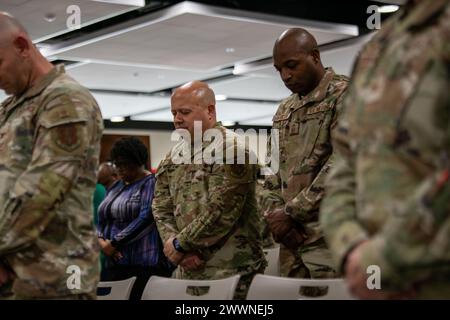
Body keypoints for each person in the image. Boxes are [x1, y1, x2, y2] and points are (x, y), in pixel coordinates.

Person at [320, 0, 450, 299]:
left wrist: (384, 256)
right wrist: (350, 246)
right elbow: (346, 159)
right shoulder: (377, 47)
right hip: (376, 282)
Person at [0, 12, 103, 299]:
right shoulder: (11, 107)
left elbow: (42, 192)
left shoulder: (65, 100)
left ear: (22, 46)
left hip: (53, 276)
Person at [152, 81, 266, 300]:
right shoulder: (172, 156)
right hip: (187, 272)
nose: (177, 119)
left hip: (230, 270)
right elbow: (160, 205)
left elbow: (223, 210)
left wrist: (180, 244)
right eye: (174, 113)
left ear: (210, 110)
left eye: (184, 112)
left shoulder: (233, 150)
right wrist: (174, 246)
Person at [262, 28, 349, 288]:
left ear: (314, 56)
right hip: (291, 241)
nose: (285, 76)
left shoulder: (345, 95)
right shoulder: (284, 110)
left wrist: (290, 213)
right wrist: (276, 220)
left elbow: (344, 164)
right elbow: (270, 171)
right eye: (279, 70)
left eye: (291, 65)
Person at [97, 137, 173, 300]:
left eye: (125, 164)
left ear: (138, 161)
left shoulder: (151, 183)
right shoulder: (116, 186)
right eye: (117, 164)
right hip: (115, 263)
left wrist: (114, 243)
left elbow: (146, 217)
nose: (121, 169)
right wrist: (101, 241)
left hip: (143, 263)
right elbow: (102, 216)